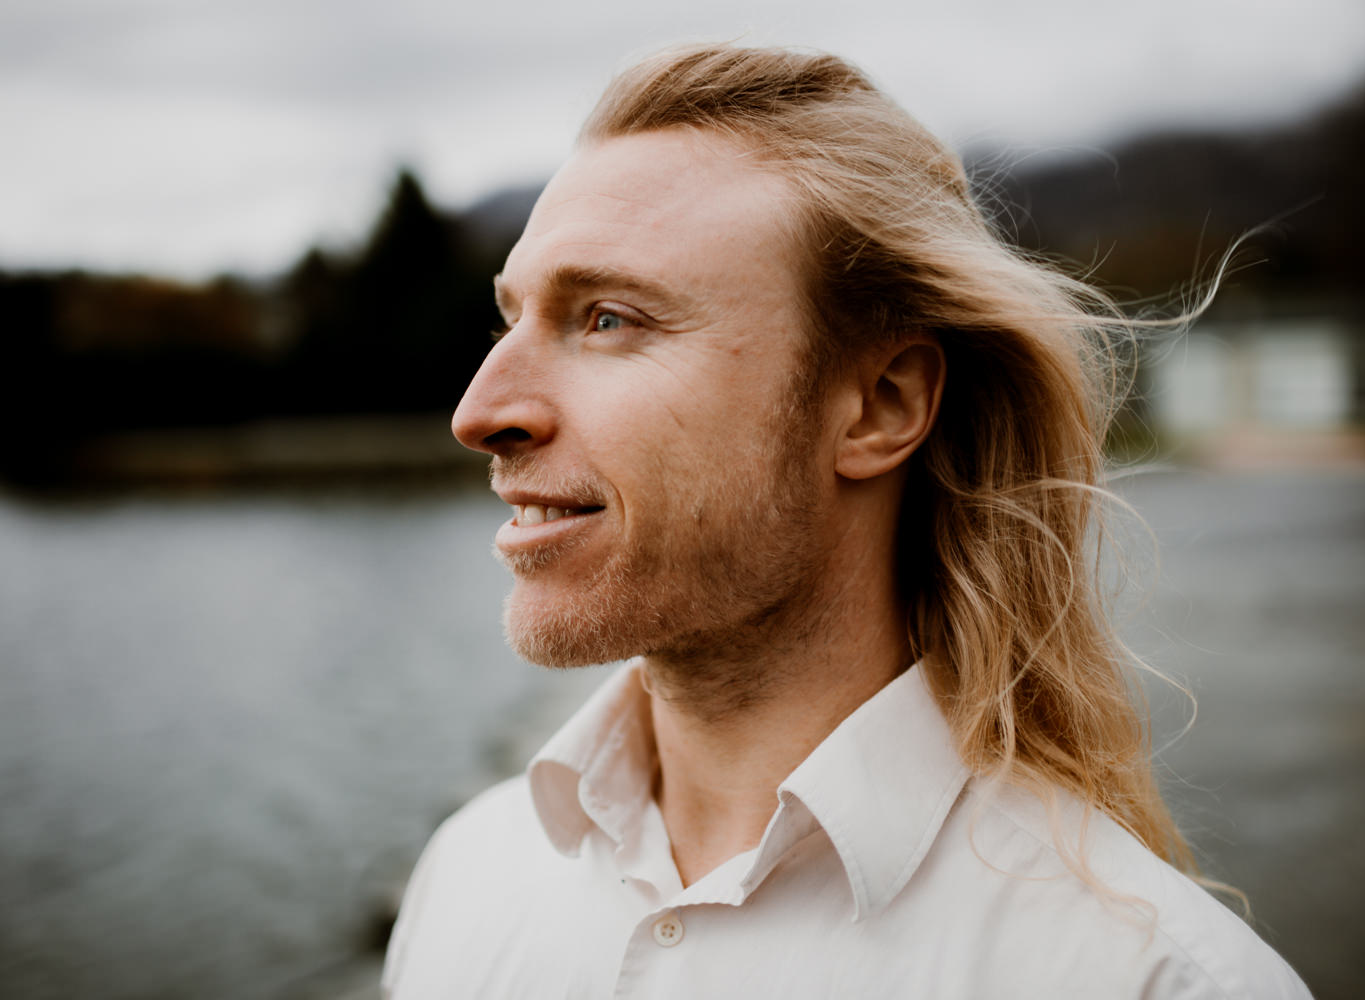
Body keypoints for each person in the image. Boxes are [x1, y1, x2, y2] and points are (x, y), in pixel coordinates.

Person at [383, 43, 1312, 998]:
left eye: (609, 318)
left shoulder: (1153, 979)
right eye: (510, 321)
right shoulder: (467, 877)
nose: (480, 412)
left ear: (879, 405)